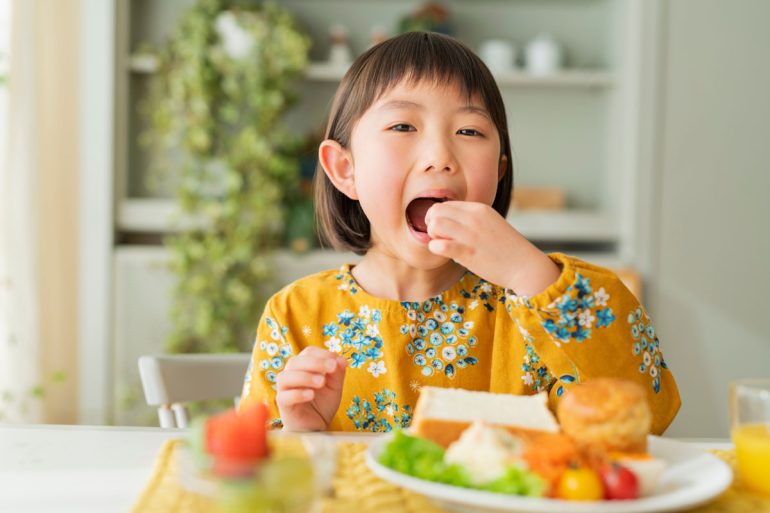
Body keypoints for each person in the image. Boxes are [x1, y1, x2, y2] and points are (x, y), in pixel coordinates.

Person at [240, 32, 680, 433]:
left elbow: (648, 415)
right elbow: (256, 475)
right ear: (344, 168)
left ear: (500, 170)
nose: (440, 156)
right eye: (403, 127)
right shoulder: (295, 315)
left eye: (469, 131)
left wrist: (531, 273)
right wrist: (304, 433)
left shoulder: (536, 302)